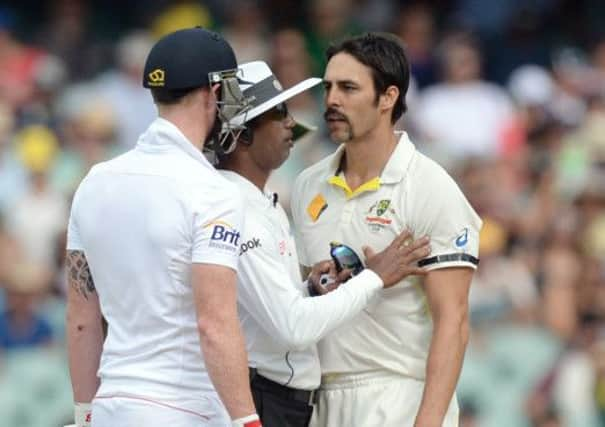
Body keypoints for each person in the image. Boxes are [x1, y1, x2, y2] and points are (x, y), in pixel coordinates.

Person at [214, 60, 431, 427]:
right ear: (243, 135)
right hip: (262, 400)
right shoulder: (234, 208)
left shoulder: (258, 202)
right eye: (278, 112)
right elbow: (292, 328)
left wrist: (310, 290)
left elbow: (265, 312)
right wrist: (373, 278)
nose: (290, 123)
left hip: (279, 399)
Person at [65, 28, 261, 427]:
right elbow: (215, 324)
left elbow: (82, 317)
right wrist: (248, 421)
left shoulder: (95, 181)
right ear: (212, 92)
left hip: (111, 404)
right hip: (185, 407)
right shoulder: (212, 192)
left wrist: (85, 412)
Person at [291, 33, 483, 427]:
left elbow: (454, 320)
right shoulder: (308, 184)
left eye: (348, 88)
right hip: (318, 398)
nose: (332, 100)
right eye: (328, 87)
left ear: (388, 97)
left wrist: (427, 422)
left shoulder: (429, 185)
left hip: (397, 395)